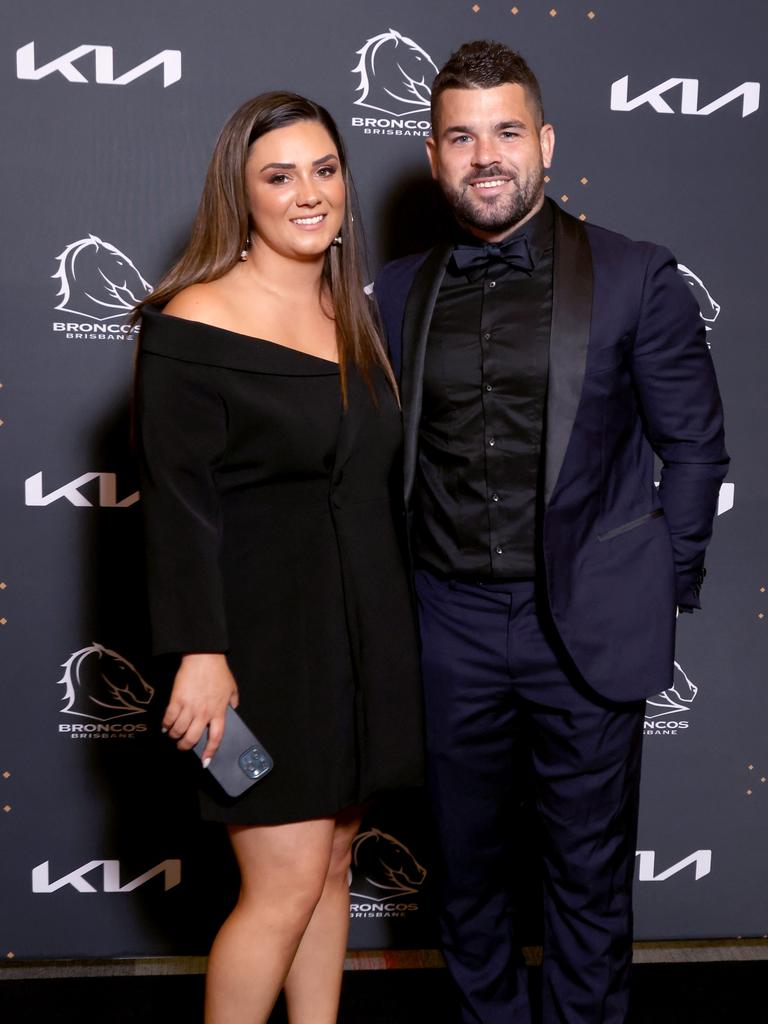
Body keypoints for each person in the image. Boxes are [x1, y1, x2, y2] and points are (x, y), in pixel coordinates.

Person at [375, 41, 728, 1024]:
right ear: (436, 154)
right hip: (446, 623)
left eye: (505, 131)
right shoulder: (398, 290)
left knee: (585, 870)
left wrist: (660, 587)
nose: (485, 155)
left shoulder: (635, 275)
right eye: (460, 136)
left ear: (546, 143)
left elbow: (695, 448)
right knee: (469, 872)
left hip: (585, 625)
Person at [134, 92, 423, 1024]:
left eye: (325, 170)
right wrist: (201, 655)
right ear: (240, 193)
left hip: (358, 642)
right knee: (282, 885)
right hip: (257, 653)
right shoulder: (195, 320)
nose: (309, 193)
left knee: (334, 862)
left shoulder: (357, 317)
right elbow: (178, 509)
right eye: (279, 175)